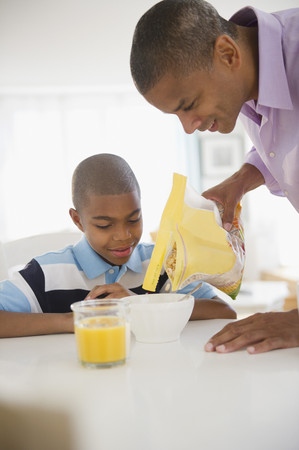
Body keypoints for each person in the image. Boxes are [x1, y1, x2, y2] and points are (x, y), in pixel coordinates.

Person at [130, 0, 299, 353]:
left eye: (189, 105)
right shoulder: (250, 84)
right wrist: (241, 180)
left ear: (226, 53)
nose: (190, 128)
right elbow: (287, 139)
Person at [0, 153, 236, 338]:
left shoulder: (163, 262)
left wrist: (140, 305)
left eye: (134, 219)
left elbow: (225, 312)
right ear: (77, 220)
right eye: (104, 225)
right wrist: (74, 320)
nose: (123, 236)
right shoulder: (47, 272)